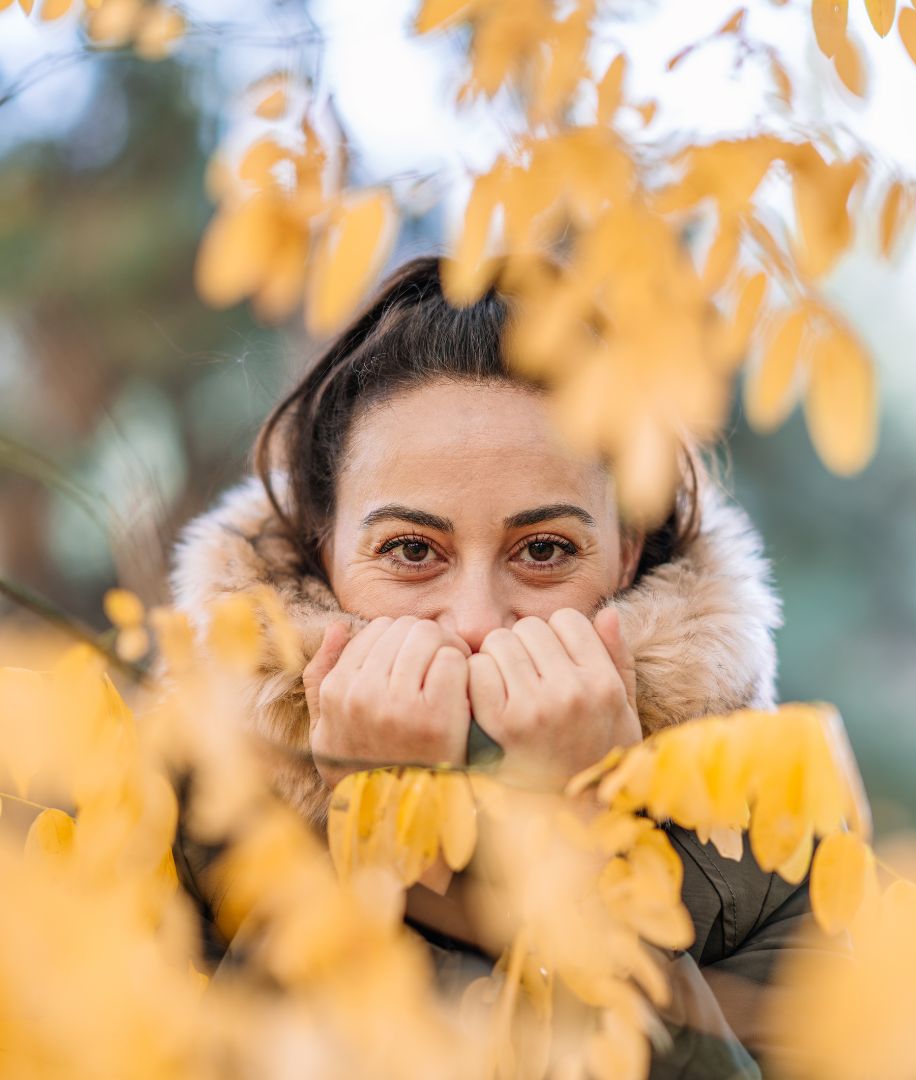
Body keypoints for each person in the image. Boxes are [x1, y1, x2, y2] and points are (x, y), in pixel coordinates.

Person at [169, 254, 818, 1077]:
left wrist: (587, 859)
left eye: (544, 550)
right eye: (410, 550)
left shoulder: (777, 852)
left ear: (624, 554)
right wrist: (365, 875)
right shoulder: (171, 814)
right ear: (319, 553)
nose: (475, 624)